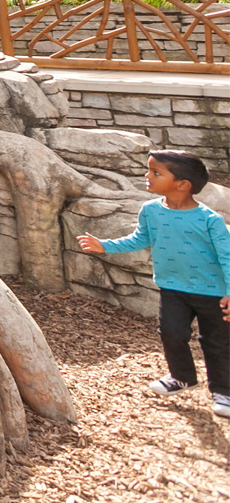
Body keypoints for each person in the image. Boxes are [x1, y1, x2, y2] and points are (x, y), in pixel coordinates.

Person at [78, 150, 230, 419]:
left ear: (182, 184)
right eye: (149, 170)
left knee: (217, 343)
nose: (147, 176)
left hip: (213, 293)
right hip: (173, 288)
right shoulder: (150, 210)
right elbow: (139, 239)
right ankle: (182, 377)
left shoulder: (210, 220)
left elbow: (227, 257)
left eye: (156, 172)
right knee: (171, 332)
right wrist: (105, 246)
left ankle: (224, 392)